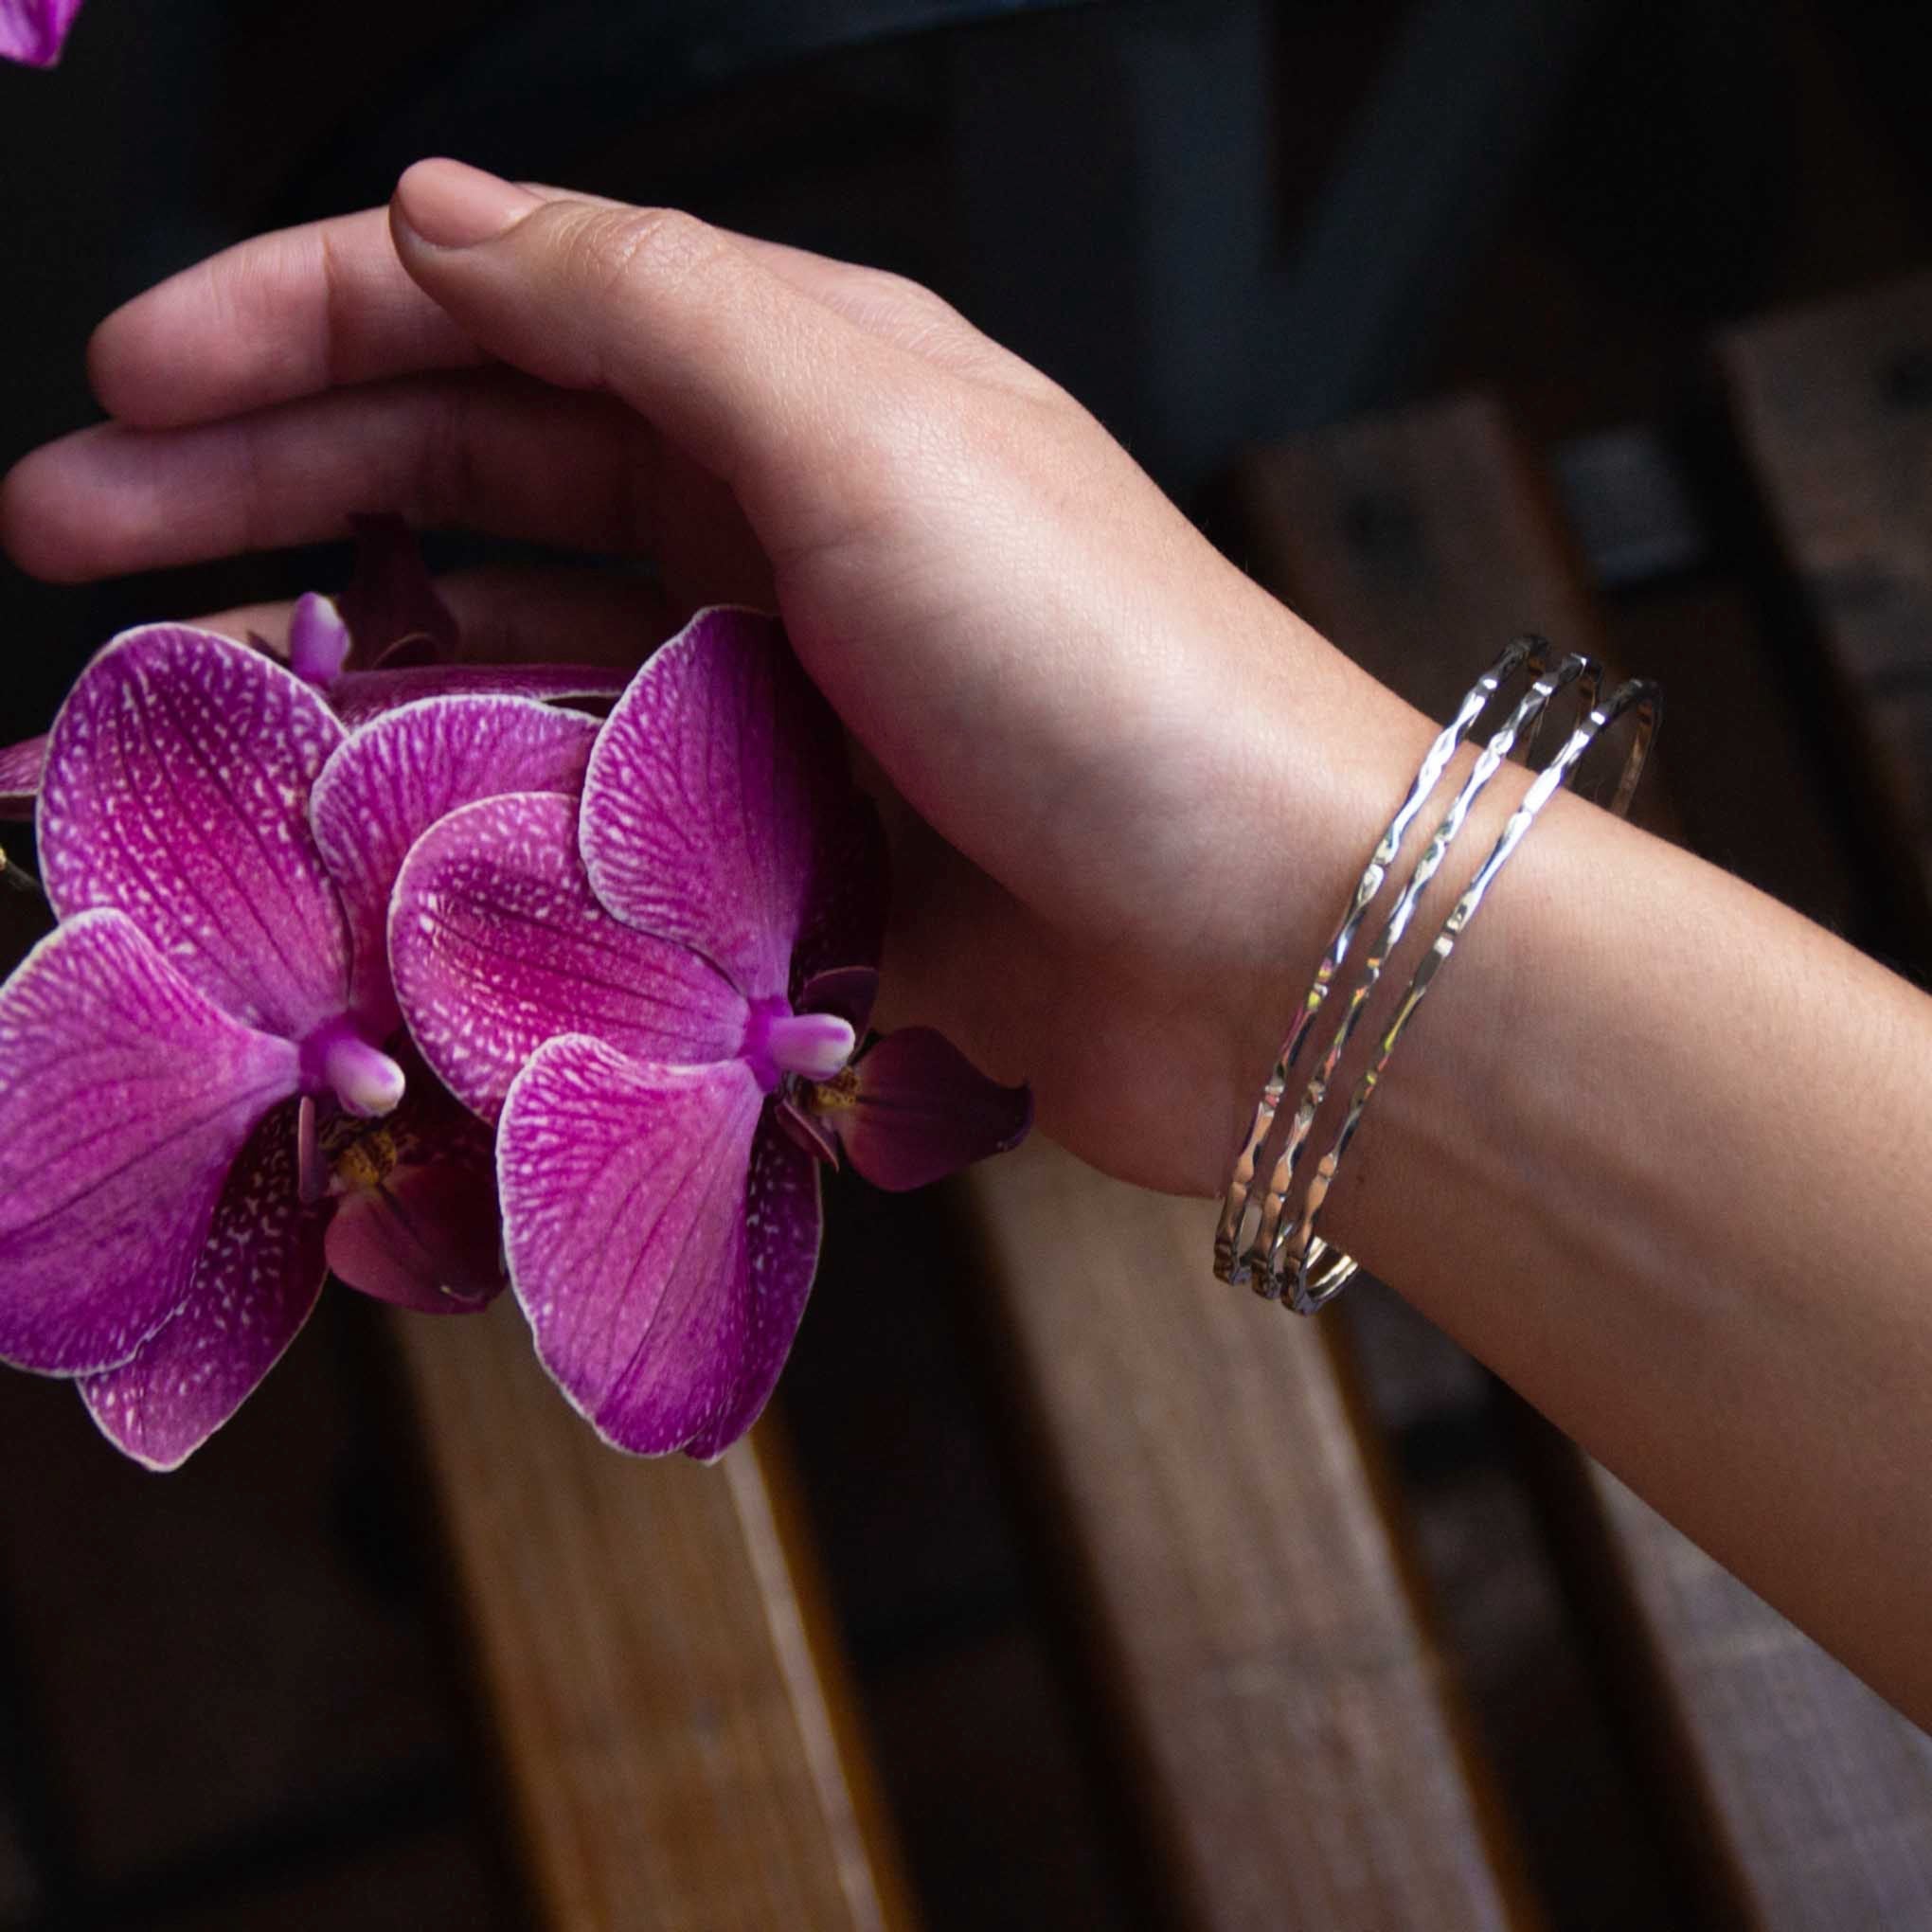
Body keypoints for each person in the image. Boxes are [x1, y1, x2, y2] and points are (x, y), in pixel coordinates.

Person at [5, 159, 1929, 1729]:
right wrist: (1283, 937)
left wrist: (1283, 923)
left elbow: (487, 950)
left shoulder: (648, 918)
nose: (384, 1089)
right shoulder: (669, 940)